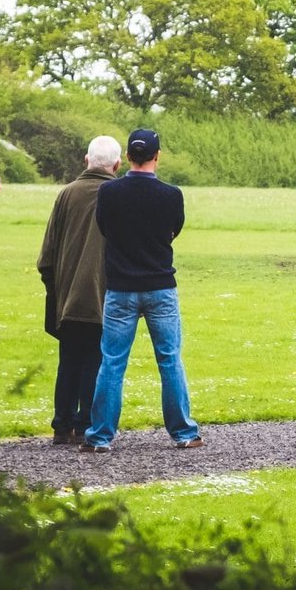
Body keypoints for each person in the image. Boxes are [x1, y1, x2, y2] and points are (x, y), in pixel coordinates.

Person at [83, 129, 203, 452]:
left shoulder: (109, 194)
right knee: (169, 359)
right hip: (160, 285)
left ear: (128, 158)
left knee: (112, 362)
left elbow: (105, 229)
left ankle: (100, 436)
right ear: (157, 155)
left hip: (120, 287)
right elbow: (173, 231)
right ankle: (184, 432)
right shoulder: (171, 195)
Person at [37, 135, 121, 445]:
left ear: (86, 160)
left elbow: (46, 255)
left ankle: (62, 425)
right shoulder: (116, 195)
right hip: (103, 294)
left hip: (67, 296)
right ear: (117, 164)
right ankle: (86, 422)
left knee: (68, 359)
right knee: (95, 360)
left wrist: (55, 289)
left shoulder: (66, 194)